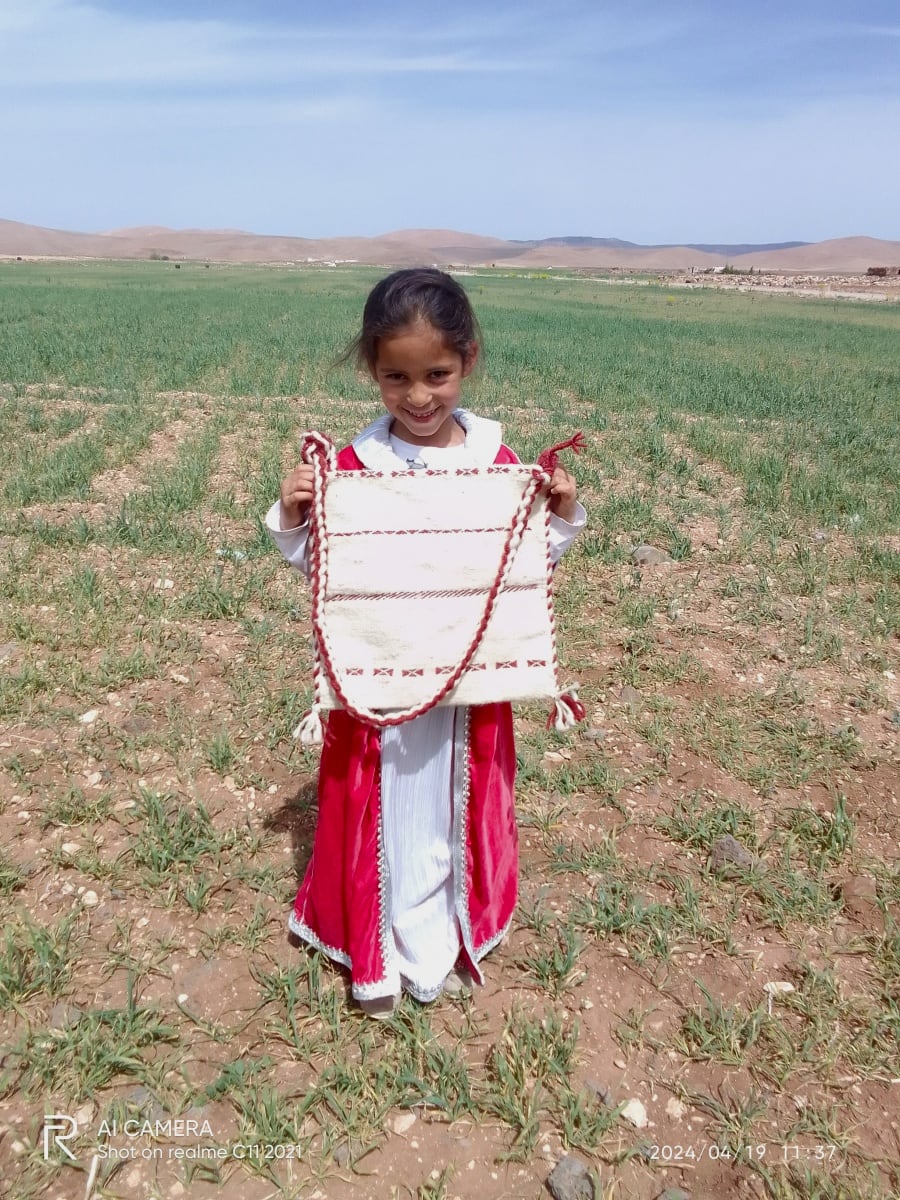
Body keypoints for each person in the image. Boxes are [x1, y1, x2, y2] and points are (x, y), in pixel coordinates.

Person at [266, 268, 585, 1018]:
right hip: (380, 692)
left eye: (436, 375)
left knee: (448, 811)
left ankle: (441, 937)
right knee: (390, 812)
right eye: (396, 378)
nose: (418, 396)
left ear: (467, 360)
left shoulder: (497, 464)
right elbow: (330, 573)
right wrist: (297, 514)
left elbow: (518, 566)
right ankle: (380, 950)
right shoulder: (353, 469)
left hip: (464, 692)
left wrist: (558, 512)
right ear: (372, 371)